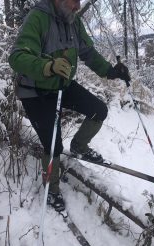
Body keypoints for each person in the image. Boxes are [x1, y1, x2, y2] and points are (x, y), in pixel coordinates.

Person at [8, 0, 130, 212]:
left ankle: (79, 147)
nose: (77, 6)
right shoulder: (38, 17)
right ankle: (51, 187)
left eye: (79, 1)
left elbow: (88, 53)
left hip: (61, 84)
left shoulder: (73, 21)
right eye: (73, 1)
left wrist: (112, 72)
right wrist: (47, 66)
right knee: (53, 144)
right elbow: (17, 57)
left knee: (98, 110)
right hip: (35, 91)